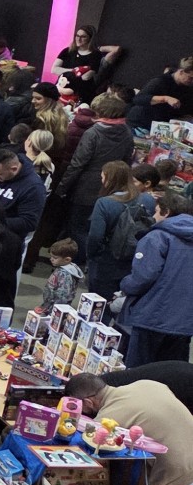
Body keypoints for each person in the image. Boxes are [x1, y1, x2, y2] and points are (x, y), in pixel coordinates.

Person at [67, 373, 193, 485]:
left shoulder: (108, 417)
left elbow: (85, 445)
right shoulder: (148, 383)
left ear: (88, 403)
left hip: (179, 482)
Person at [119, 190, 193, 365]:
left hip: (152, 316)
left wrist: (124, 285)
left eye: (157, 211)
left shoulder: (157, 237)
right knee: (170, 373)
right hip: (185, 323)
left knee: (139, 372)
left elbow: (143, 276)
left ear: (166, 212)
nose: (153, 216)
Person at [55, 94, 135, 251]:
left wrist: (62, 187)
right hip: (111, 187)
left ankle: (74, 259)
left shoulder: (93, 133)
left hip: (85, 188)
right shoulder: (127, 132)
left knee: (76, 228)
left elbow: (77, 164)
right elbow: (126, 161)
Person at [86, 161, 151, 297]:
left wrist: (91, 255)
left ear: (110, 179)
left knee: (98, 300)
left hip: (106, 261)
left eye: (103, 177)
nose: (101, 181)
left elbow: (95, 236)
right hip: (133, 260)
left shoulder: (104, 203)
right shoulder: (147, 200)